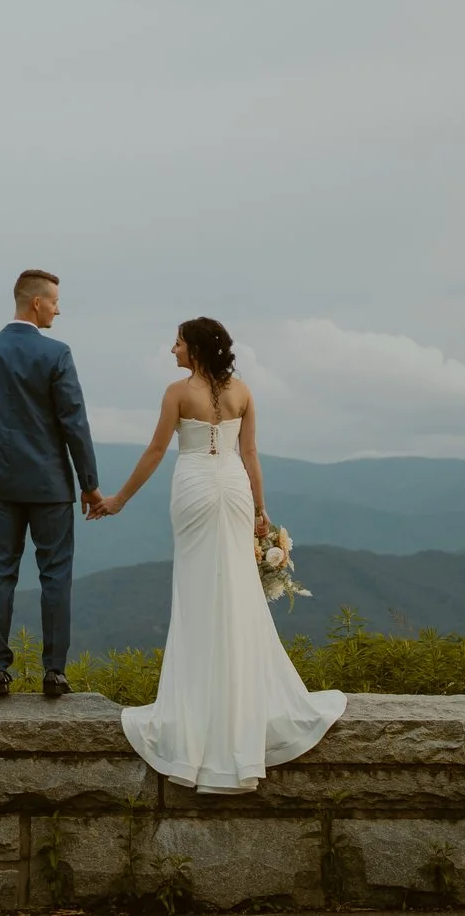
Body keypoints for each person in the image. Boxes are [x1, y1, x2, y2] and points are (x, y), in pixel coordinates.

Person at [96, 316, 345, 792]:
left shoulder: (176, 392)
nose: (172, 349)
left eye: (178, 342)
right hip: (232, 488)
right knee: (236, 593)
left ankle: (198, 720)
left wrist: (119, 500)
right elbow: (249, 453)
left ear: (196, 348)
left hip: (192, 486)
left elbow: (154, 451)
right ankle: (238, 714)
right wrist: (261, 508)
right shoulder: (244, 390)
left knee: (195, 598)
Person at [0, 268, 104, 700]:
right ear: (36, 302)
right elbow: (73, 422)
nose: (59, 308)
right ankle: (54, 672)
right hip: (51, 485)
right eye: (55, 301)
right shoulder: (57, 354)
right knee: (55, 576)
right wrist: (89, 484)